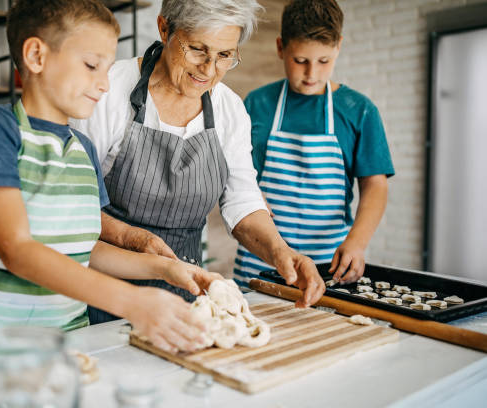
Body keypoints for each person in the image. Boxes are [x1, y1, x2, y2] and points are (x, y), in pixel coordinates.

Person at [0, 0, 221, 354]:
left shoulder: (83, 149)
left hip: (70, 344)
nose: (105, 84)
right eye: (92, 65)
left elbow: (84, 249)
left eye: (107, 69)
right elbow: (17, 250)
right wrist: (132, 303)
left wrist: (166, 270)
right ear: (36, 56)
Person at [72, 0, 325, 325]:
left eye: (224, 55)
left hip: (184, 293)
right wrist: (133, 238)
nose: (208, 70)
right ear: (165, 29)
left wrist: (281, 252)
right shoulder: (107, 91)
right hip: (98, 287)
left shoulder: (229, 110)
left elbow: (243, 201)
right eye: (197, 49)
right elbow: (73, 205)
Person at [234, 0, 394, 287]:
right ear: (281, 47)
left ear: (338, 47)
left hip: (329, 264)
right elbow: (239, 173)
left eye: (323, 62)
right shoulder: (257, 104)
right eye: (300, 61)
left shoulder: (359, 110)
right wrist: (252, 193)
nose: (312, 75)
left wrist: (357, 242)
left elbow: (376, 185)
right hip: (261, 262)